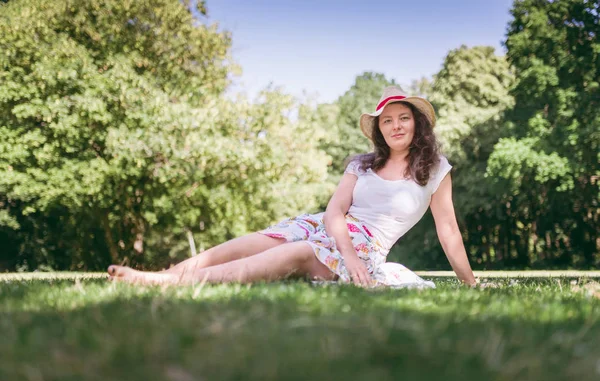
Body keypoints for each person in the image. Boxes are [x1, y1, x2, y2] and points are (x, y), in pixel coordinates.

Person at [108, 86, 478, 288]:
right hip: (326, 226)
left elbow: (448, 232)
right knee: (245, 245)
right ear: (378, 129)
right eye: (387, 122)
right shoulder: (362, 164)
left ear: (417, 124)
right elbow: (335, 211)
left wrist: (471, 283)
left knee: (296, 253)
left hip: (367, 245)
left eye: (403, 119)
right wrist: (343, 250)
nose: (395, 126)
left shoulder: (436, 171)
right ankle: (162, 276)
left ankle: (167, 286)